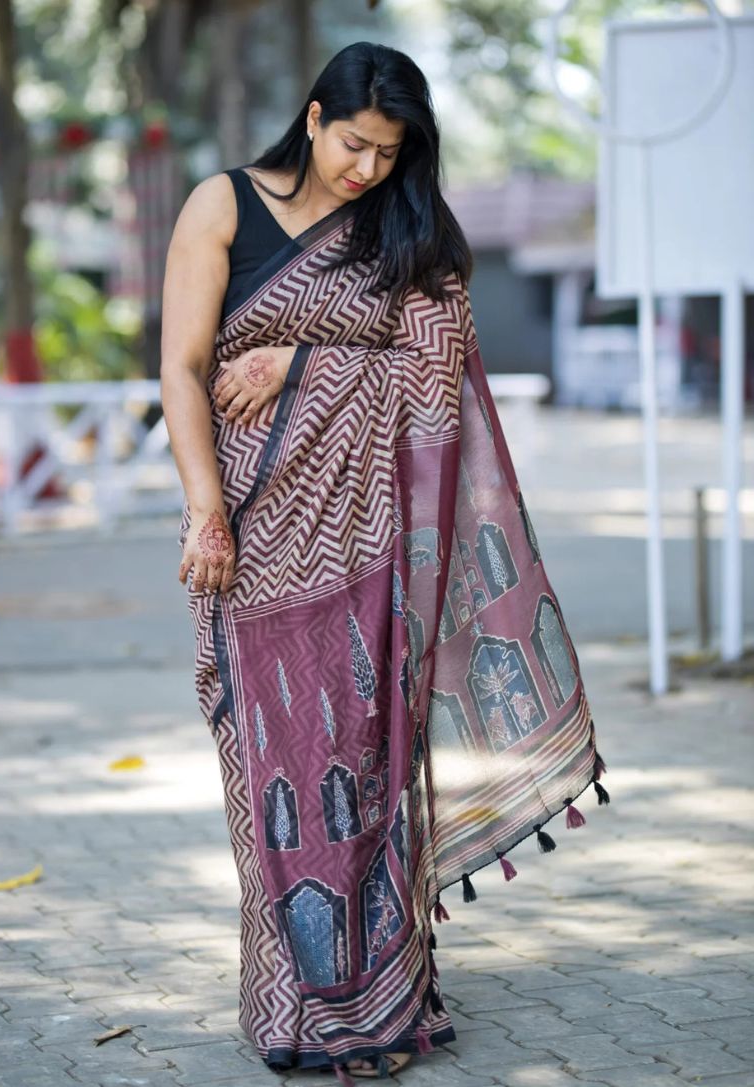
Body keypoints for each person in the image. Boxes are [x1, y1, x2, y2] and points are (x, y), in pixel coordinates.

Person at [160, 40, 610, 1085]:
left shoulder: (409, 230)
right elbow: (181, 368)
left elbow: (435, 374)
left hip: (374, 549)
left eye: (388, 153)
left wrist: (303, 363)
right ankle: (292, 1004)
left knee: (365, 764)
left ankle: (378, 1002)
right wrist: (205, 512)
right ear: (313, 118)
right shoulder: (222, 206)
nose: (366, 169)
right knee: (267, 768)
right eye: (353, 144)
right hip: (252, 533)